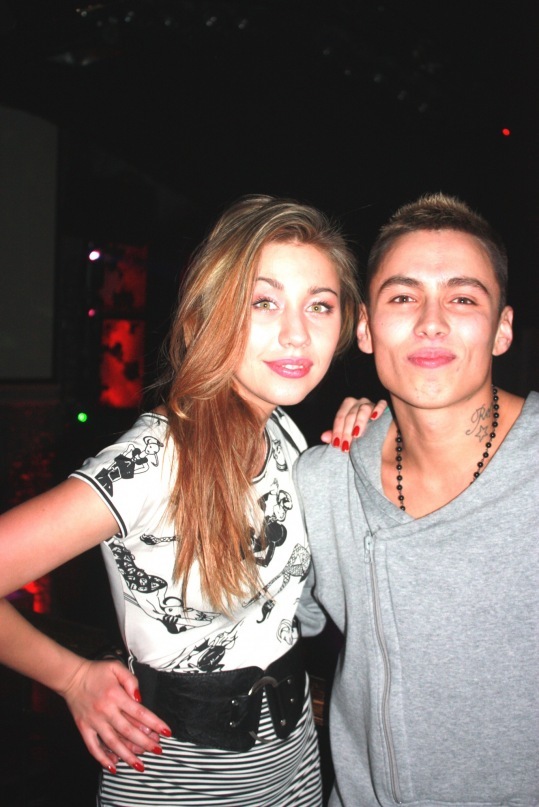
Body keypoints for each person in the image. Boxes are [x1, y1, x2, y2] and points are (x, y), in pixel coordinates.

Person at [0, 194, 384, 807]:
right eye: (263, 302)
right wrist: (71, 678)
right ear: (210, 314)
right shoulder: (154, 461)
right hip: (176, 781)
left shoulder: (285, 434)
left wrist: (360, 446)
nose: (296, 333)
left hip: (295, 766)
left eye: (319, 305)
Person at [296, 193, 538, 806]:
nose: (431, 322)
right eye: (403, 298)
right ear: (365, 328)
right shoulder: (324, 483)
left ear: (503, 328)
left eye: (463, 298)